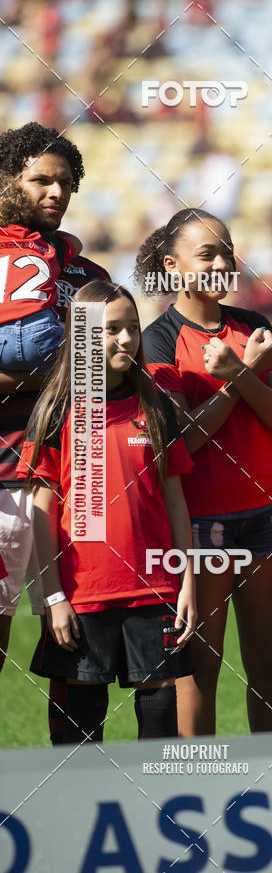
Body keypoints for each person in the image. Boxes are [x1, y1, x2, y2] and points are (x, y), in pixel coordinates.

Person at [137, 208, 272, 735]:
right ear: (172, 265)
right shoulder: (158, 340)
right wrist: (242, 377)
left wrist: (239, 375)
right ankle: (198, 779)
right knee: (199, 672)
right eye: (207, 254)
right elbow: (182, 443)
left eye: (227, 252)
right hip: (200, 522)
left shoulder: (254, 325)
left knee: (269, 671)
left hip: (267, 512)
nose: (223, 263)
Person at [16, 281, 197, 743]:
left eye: (133, 327)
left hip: (154, 588)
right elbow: (41, 510)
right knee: (80, 733)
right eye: (111, 329)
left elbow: (175, 500)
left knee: (160, 720)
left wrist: (187, 582)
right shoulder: (56, 410)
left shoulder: (155, 405)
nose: (127, 339)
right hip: (83, 595)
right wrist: (53, 598)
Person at [0, 122, 110, 746]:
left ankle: (74, 780)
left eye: (65, 182)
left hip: (76, 483)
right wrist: (48, 371)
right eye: (41, 180)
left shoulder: (87, 275)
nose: (56, 192)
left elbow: (99, 376)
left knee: (77, 648)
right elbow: (74, 369)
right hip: (3, 476)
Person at [0, 172, 81, 372]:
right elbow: (76, 242)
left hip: (1, 337)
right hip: (43, 334)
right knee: (86, 358)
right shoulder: (48, 246)